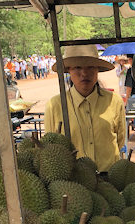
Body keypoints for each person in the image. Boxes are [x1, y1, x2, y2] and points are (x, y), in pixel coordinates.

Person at [44, 44, 126, 173]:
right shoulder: (55, 105)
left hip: (110, 177)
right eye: (77, 67)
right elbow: (51, 149)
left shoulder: (114, 101)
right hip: (74, 181)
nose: (84, 73)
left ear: (97, 70)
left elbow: (120, 140)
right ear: (69, 70)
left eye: (90, 67)